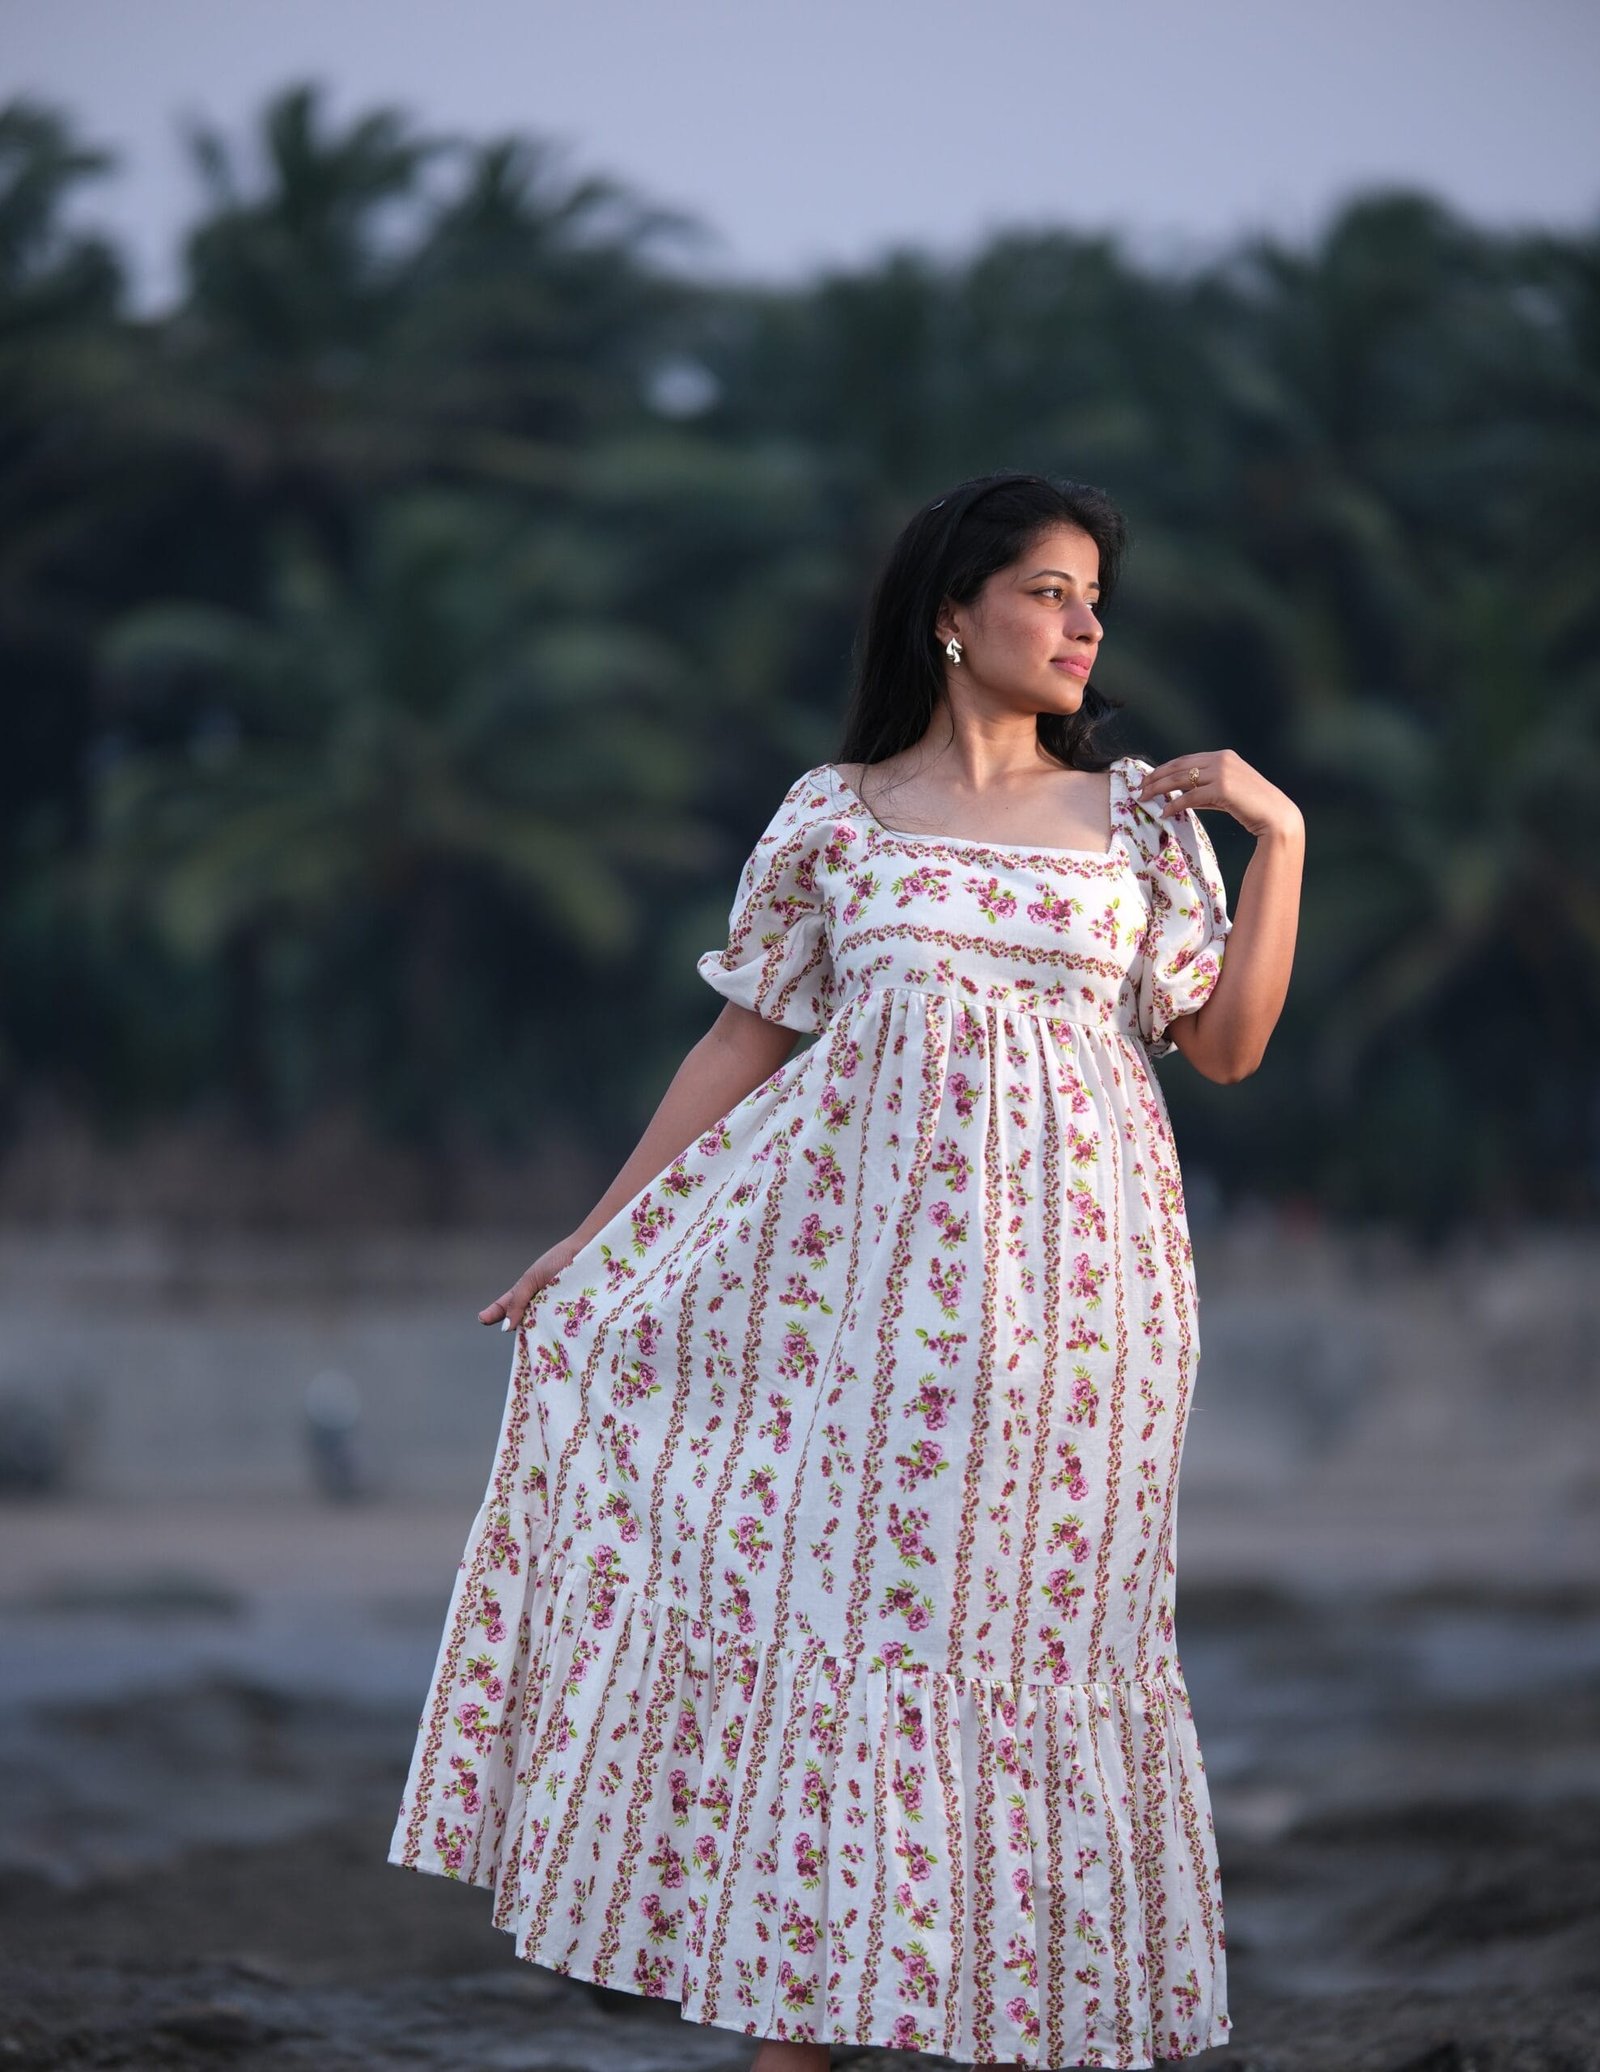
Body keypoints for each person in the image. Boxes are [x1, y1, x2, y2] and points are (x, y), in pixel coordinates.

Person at [388, 470, 1304, 2071]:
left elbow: (1223, 1048)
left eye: (1097, 596)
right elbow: (745, 1037)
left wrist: (1280, 838)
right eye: (1046, 589)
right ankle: (798, 2034)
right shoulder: (834, 815)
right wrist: (597, 1236)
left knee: (1044, 1657)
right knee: (854, 1635)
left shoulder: (1145, 820)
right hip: (874, 1318)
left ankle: (1027, 2018)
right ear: (952, 615)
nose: (1086, 622)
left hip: (1093, 1324)